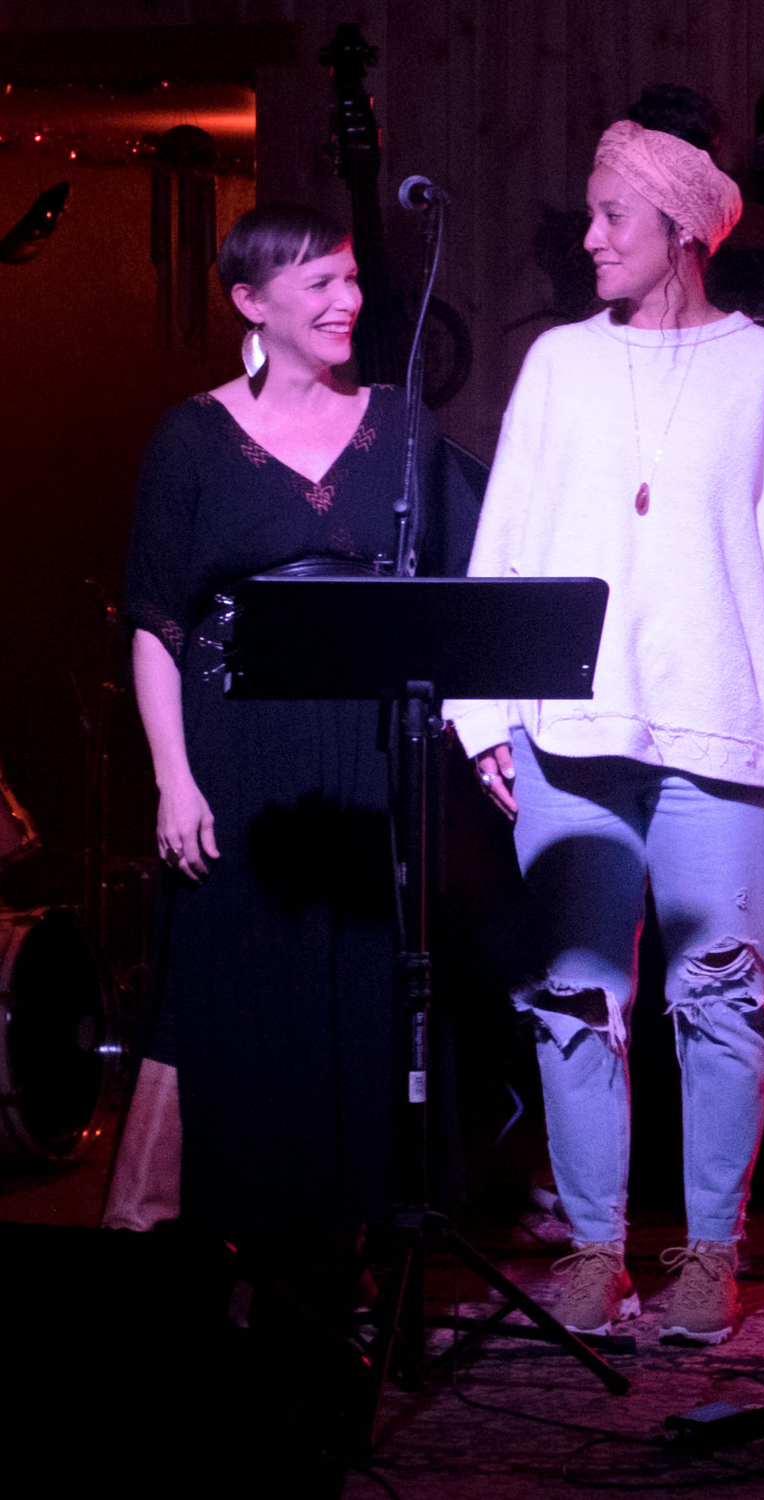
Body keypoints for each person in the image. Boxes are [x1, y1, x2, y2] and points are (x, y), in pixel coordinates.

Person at [445, 86, 764, 1345]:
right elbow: (505, 540)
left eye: (612, 215)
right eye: (591, 214)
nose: (590, 237)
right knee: (572, 999)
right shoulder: (559, 364)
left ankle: (711, 1252)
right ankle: (594, 1249)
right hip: (568, 736)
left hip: (718, 733)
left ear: (680, 228)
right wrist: (484, 712)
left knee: (720, 999)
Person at [123, 203, 478, 1278]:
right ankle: (251, 1260)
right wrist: (174, 779)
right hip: (237, 751)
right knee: (250, 991)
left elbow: (461, 586)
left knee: (369, 988)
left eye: (351, 278)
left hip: (370, 750)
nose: (346, 301)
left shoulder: (402, 426)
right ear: (251, 302)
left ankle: (359, 1251)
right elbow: (156, 622)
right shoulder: (192, 436)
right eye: (319, 283)